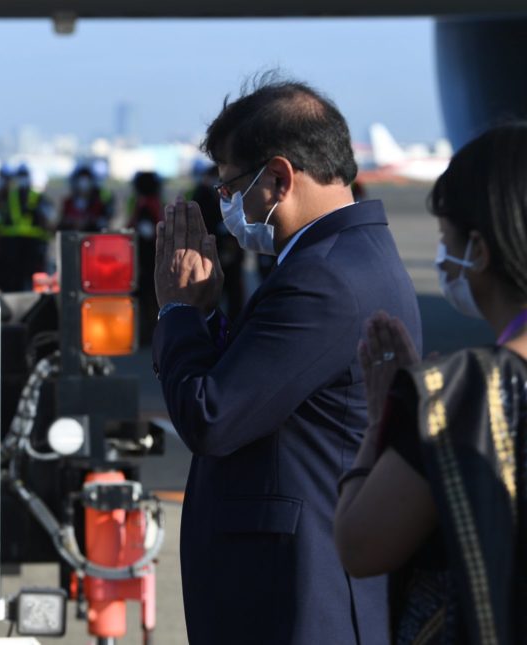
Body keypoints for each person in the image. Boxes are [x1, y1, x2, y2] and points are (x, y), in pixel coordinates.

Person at [151, 78, 421, 644]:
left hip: (296, 601)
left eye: (228, 187)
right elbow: (271, 385)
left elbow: (212, 417)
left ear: (277, 179)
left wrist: (176, 310)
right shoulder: (349, 256)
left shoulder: (321, 278)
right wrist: (206, 318)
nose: (224, 205)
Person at [335, 123, 527, 644]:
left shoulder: (462, 396)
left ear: (480, 252)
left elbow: (359, 545)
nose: (443, 259)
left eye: (447, 241)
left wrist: (383, 421)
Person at [190, 164, 245, 320]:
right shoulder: (202, 195)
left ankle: (233, 322)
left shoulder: (225, 195)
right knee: (214, 293)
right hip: (213, 252)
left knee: (233, 291)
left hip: (228, 252)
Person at [0, 163, 54, 291]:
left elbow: (48, 219)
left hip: (30, 245)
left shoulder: (36, 197)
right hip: (12, 245)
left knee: (30, 278)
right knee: (13, 279)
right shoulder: (9, 196)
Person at [127, 171, 164, 340]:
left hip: (146, 260)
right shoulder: (155, 203)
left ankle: (149, 332)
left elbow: (146, 234)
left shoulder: (144, 206)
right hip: (155, 257)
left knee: (146, 297)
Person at [59, 166, 113, 232]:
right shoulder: (68, 203)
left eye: (87, 181)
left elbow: (104, 224)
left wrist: (90, 222)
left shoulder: (98, 204)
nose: (84, 185)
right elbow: (60, 225)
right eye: (80, 181)